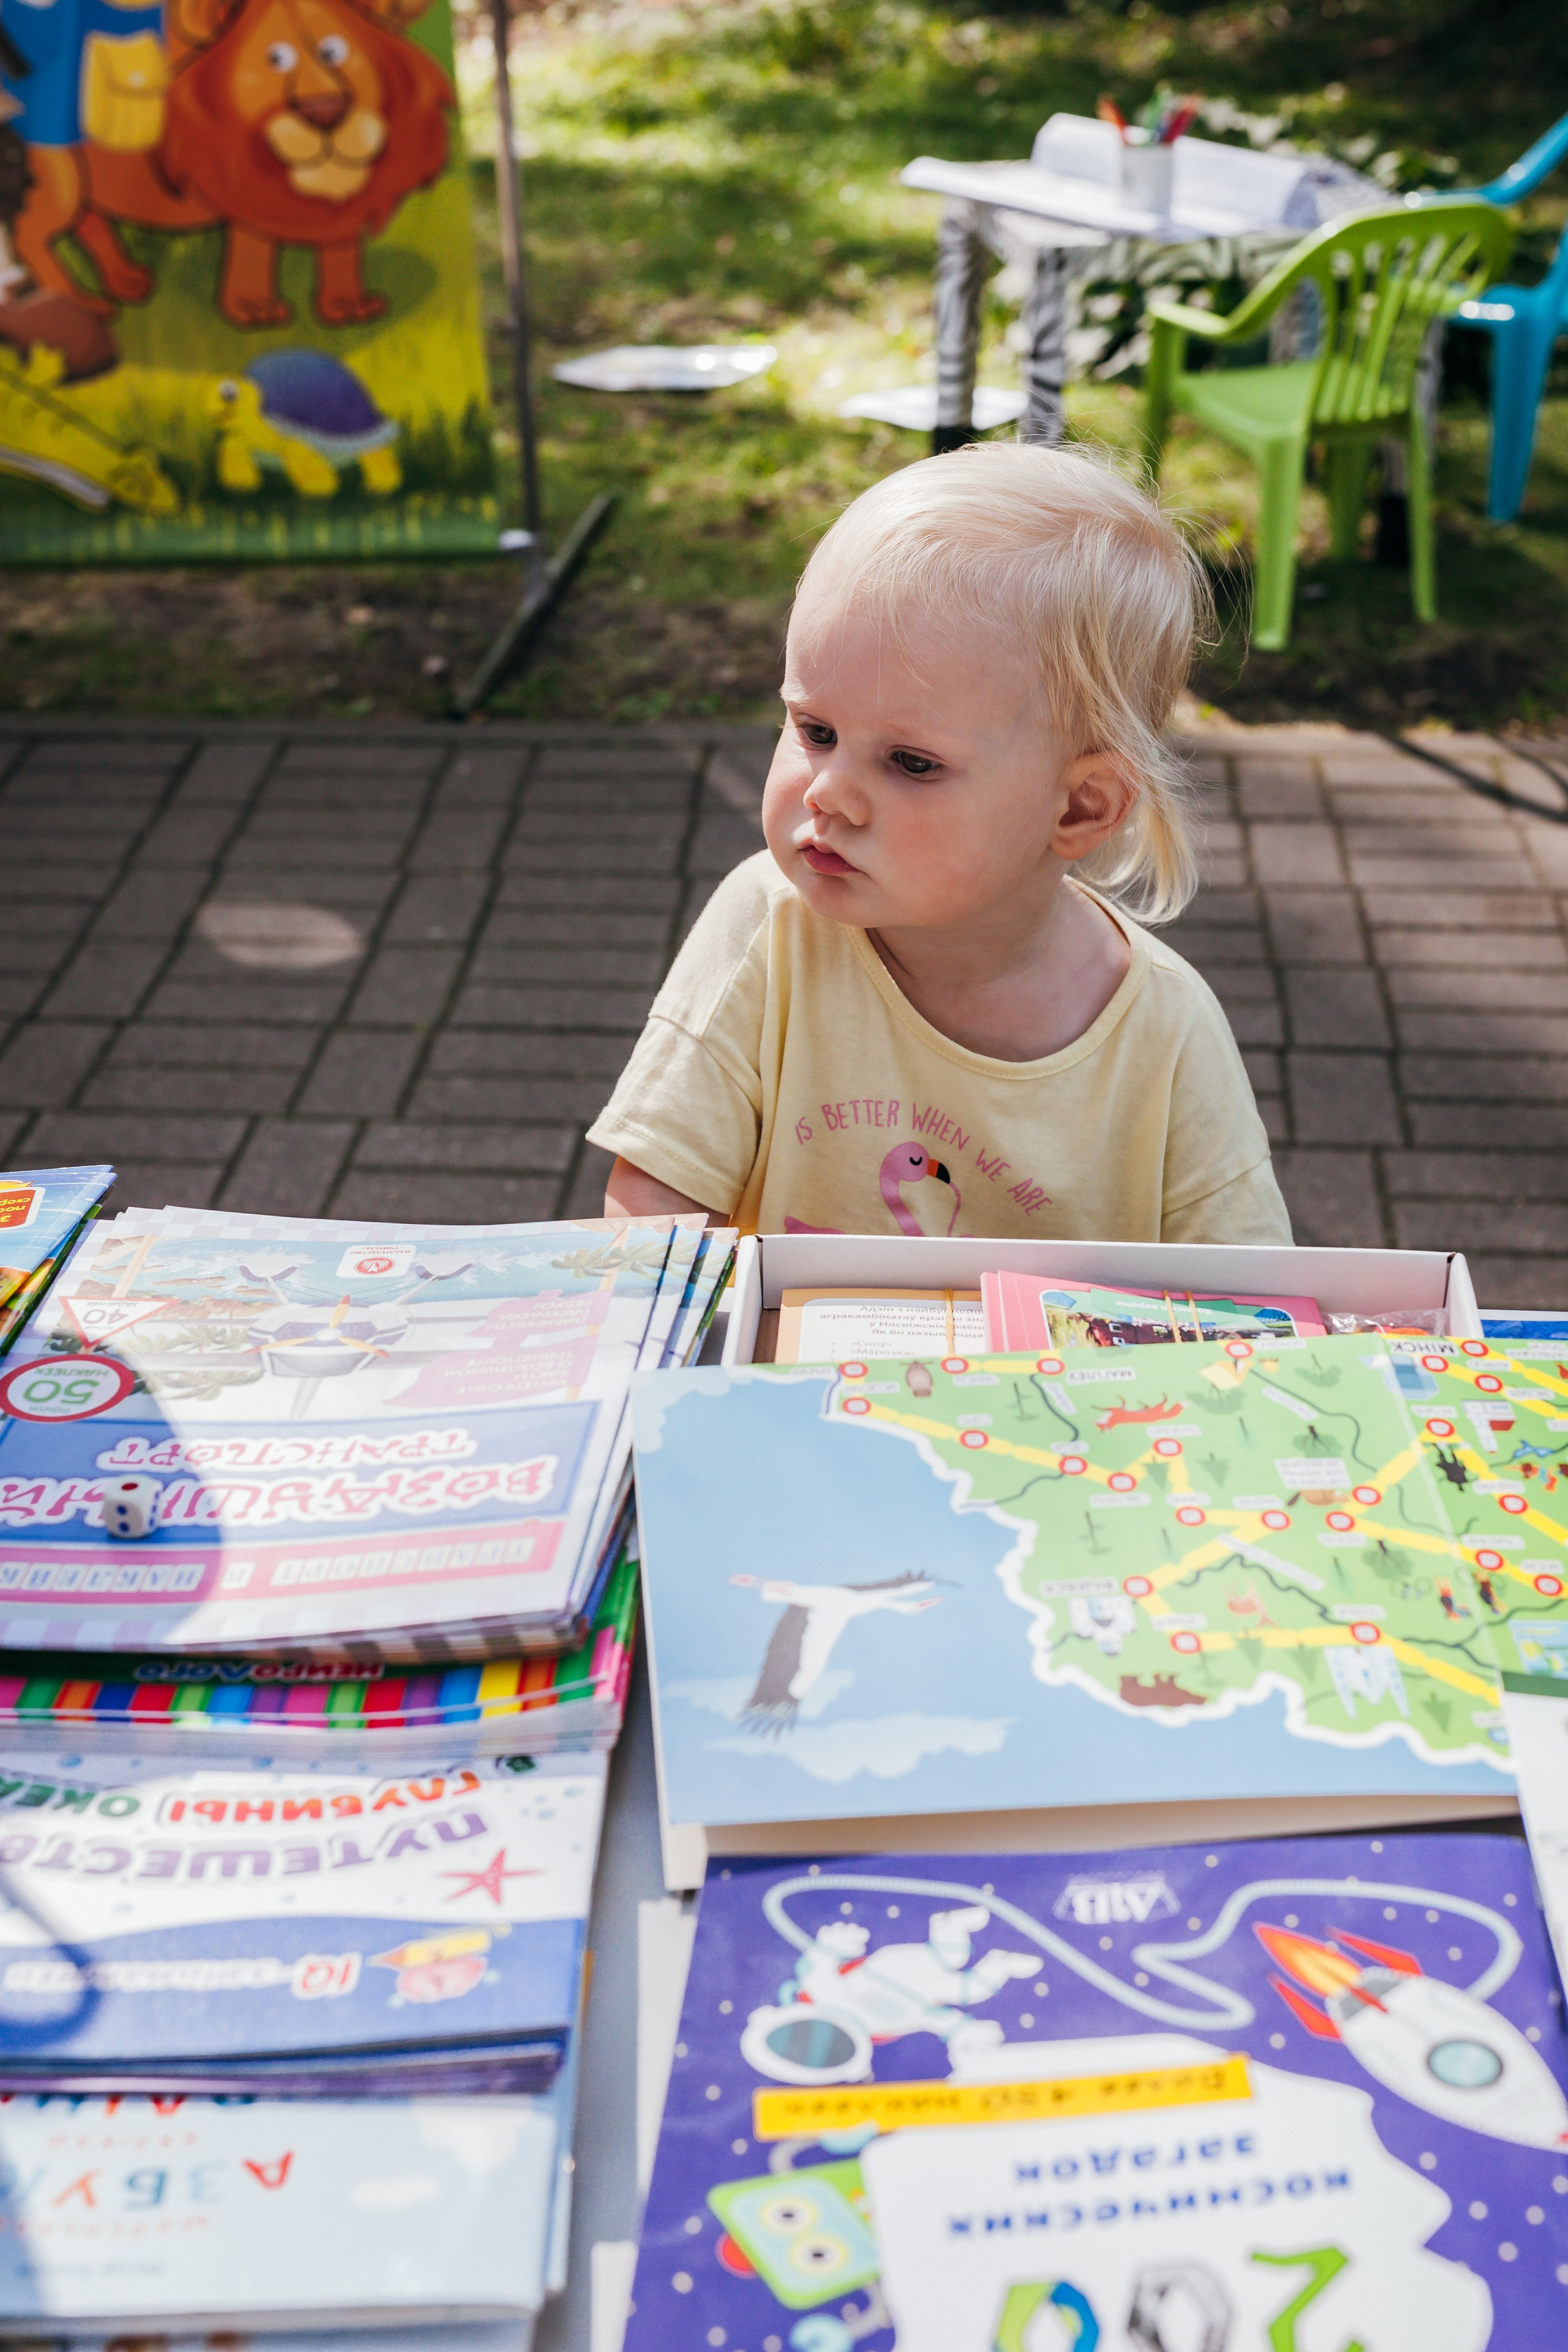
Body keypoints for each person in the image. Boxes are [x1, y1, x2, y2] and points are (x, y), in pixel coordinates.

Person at [589, 441, 1290, 1246]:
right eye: (815, 730)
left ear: (1080, 807)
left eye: (912, 763)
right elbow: (655, 1202)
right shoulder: (770, 926)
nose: (827, 792)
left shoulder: (1167, 1035)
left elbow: (1252, 1291)